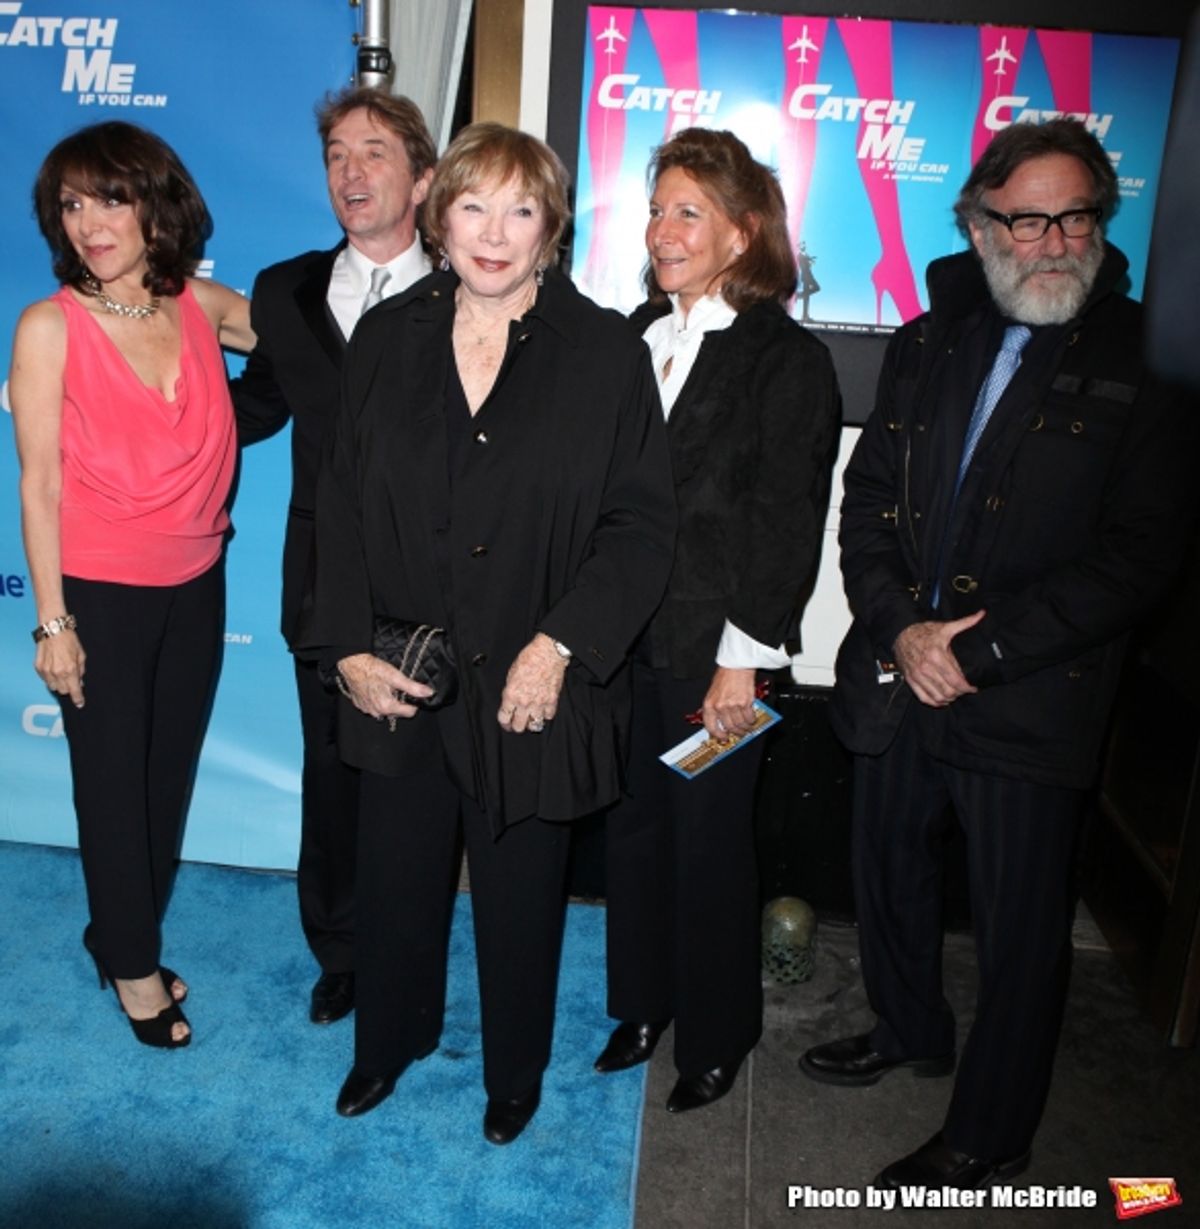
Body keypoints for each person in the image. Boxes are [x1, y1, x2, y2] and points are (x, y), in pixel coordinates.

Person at [802, 119, 1198, 1188]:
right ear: (979, 225)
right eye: (1026, 219)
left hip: (1031, 698)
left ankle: (990, 1133)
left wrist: (980, 651)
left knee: (1022, 933)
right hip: (898, 675)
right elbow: (870, 500)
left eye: (1076, 216)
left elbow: (1140, 556)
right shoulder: (929, 341)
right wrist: (898, 629)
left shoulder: (1148, 360)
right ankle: (907, 1027)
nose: (1054, 240)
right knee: (886, 869)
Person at [299, 122, 676, 1143]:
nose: (494, 233)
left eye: (520, 210)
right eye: (473, 206)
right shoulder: (386, 337)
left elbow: (640, 526)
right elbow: (335, 502)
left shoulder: (602, 352)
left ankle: (514, 1071)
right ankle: (390, 1041)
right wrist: (346, 652)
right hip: (403, 666)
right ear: (440, 213)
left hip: (530, 676)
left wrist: (559, 647)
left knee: (520, 896)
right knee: (397, 877)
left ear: (551, 227)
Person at [594, 128, 840, 1112]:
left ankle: (717, 1032)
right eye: (657, 208)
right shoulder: (633, 338)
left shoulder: (787, 362)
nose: (662, 228)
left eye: (687, 210)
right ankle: (643, 1003)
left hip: (719, 661)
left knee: (710, 848)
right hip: (624, 650)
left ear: (742, 234)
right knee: (634, 834)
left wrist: (743, 664)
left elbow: (785, 525)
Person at [9, 120, 253, 1048]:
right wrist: (52, 622)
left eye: (109, 198)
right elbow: (39, 483)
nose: (89, 222)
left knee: (163, 781)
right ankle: (134, 968)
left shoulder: (201, 305)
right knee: (111, 788)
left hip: (199, 581)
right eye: (71, 204)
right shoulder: (47, 327)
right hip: (99, 590)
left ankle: (117, 931)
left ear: (157, 205)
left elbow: (314, 347)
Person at [230, 87, 437, 1026]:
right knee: (334, 775)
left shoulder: (472, 283)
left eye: (375, 152)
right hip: (322, 580)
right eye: (337, 157)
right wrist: (129, 402)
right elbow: (252, 408)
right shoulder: (283, 291)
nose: (352, 173)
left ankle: (415, 944)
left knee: (429, 782)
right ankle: (343, 949)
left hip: (444, 578)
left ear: (423, 177)